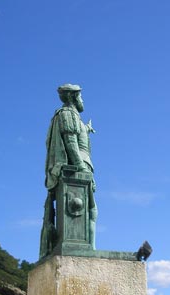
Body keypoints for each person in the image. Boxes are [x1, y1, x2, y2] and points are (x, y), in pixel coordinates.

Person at [40, 84, 97, 258]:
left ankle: (91, 248)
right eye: (80, 96)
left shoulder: (76, 117)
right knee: (84, 208)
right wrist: (80, 169)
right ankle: (86, 249)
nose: (82, 100)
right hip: (79, 169)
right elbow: (70, 142)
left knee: (91, 211)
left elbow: (77, 136)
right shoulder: (67, 114)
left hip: (85, 165)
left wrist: (86, 129)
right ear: (72, 97)